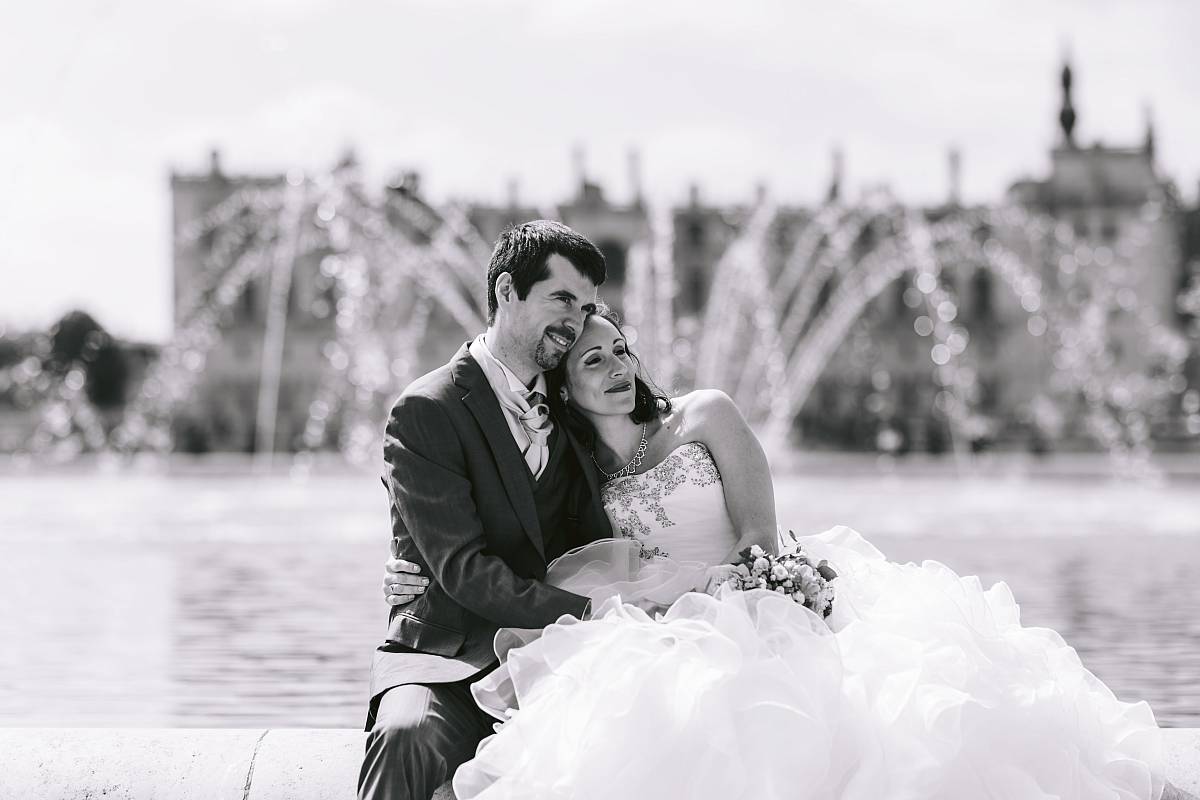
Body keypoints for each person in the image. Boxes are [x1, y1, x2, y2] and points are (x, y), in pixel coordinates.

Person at [386, 305, 1170, 800]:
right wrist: (420, 567)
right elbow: (527, 540)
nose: (619, 369)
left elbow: (761, 534)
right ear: (565, 385)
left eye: (622, 351)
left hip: (758, 600)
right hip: (663, 620)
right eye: (594, 361)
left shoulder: (705, 415)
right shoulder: (576, 471)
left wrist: (742, 595)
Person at [358, 220, 615, 800]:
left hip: (561, 658)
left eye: (586, 306)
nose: (575, 322)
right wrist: (599, 612)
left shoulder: (581, 399)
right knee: (407, 735)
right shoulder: (427, 409)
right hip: (449, 661)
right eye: (562, 300)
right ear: (505, 291)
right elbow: (463, 570)